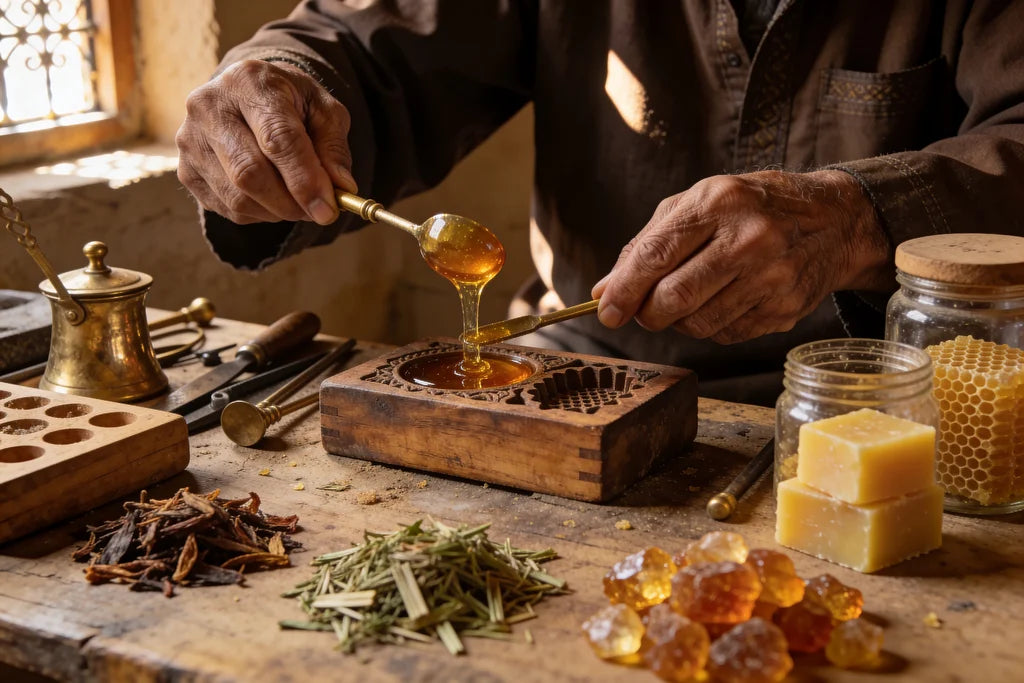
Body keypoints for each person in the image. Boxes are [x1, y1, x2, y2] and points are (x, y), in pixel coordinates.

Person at [176, 1, 1024, 406]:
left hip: (903, 394)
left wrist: (862, 214)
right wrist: (282, 81)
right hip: (582, 364)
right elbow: (370, 37)